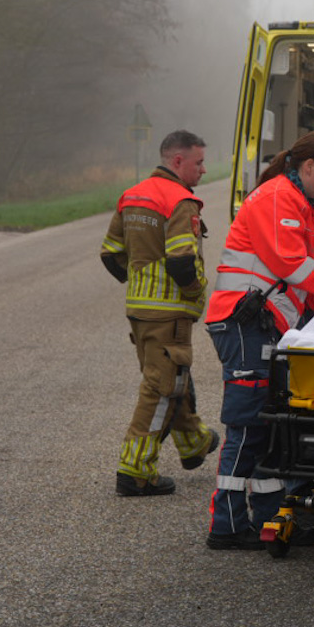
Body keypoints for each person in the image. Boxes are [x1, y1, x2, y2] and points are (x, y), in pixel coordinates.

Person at [203, 131, 314, 549]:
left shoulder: (301, 205)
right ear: (308, 167)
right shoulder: (279, 199)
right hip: (245, 322)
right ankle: (227, 526)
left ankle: (271, 516)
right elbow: (292, 265)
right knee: (247, 423)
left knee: (267, 422)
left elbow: (302, 276)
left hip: (262, 322)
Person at [100, 129, 219, 497]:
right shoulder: (181, 202)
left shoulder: (132, 195)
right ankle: (134, 470)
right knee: (162, 388)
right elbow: (183, 263)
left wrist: (139, 284)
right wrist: (197, 294)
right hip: (169, 315)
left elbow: (110, 253)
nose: (203, 170)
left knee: (170, 378)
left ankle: (194, 442)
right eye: (198, 162)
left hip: (140, 311)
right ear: (177, 161)